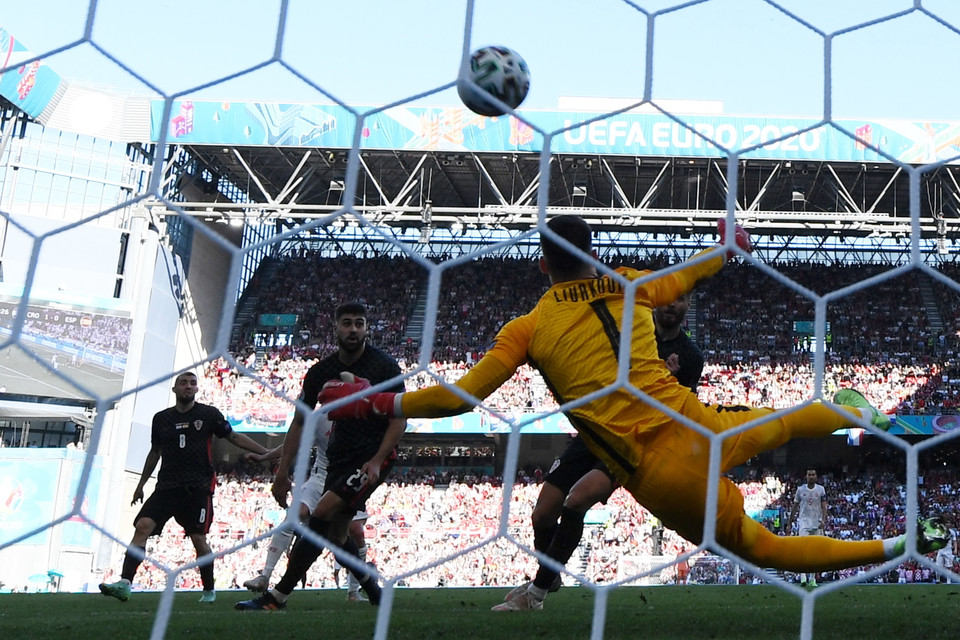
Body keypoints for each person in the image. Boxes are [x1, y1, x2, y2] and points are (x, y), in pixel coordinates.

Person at [320, 215, 949, 612]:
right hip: (696, 423)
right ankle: (843, 411)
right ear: (592, 255)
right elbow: (684, 278)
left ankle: (896, 544)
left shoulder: (530, 328)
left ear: (542, 263)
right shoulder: (625, 283)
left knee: (763, 548)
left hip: (651, 468)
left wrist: (375, 400)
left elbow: (460, 398)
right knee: (780, 423)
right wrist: (727, 247)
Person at [495, 290, 704, 611]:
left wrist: (668, 383)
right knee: (543, 513)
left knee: (576, 500)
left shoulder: (691, 357)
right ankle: (550, 577)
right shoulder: (632, 332)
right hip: (598, 428)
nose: (673, 305)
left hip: (634, 441)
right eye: (669, 298)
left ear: (688, 306)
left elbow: (680, 415)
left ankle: (535, 596)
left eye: (681, 300)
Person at [236, 301, 406, 611]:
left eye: (359, 323)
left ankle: (277, 596)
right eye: (347, 323)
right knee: (337, 535)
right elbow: (300, 421)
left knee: (321, 515)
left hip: (371, 457)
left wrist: (378, 459)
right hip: (339, 459)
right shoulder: (320, 372)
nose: (353, 329)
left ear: (367, 328)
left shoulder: (384, 366)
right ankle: (376, 593)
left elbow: (399, 417)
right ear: (336, 327)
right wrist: (281, 472)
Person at [99, 371, 268, 603]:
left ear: (197, 389)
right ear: (175, 389)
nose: (188, 386)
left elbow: (234, 437)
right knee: (143, 525)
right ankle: (125, 583)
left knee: (198, 539)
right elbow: (155, 452)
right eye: (183, 383)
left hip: (197, 486)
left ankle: (209, 590)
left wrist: (267, 453)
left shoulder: (208, 415)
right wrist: (140, 485)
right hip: (167, 485)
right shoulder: (161, 419)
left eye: (192, 383)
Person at [240, 415, 373, 602]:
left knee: (355, 532)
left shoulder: (359, 415)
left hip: (347, 478)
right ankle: (265, 575)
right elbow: (296, 444)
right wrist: (265, 456)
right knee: (294, 515)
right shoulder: (320, 418)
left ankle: (354, 591)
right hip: (320, 478)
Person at [784, 469, 827, 587]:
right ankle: (803, 577)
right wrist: (789, 522)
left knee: (815, 553)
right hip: (804, 522)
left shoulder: (821, 489)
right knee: (802, 550)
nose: (811, 477)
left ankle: (812, 579)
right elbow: (795, 506)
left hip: (817, 523)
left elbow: (824, 506)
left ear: (816, 476)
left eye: (813, 475)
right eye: (809, 475)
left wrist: (823, 520)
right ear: (806, 477)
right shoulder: (800, 490)